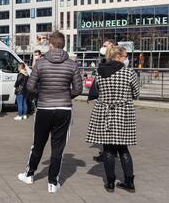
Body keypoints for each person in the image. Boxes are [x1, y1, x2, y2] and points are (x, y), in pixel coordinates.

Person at [18, 31, 83, 193]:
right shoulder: (72, 64)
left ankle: (30, 174)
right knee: (58, 147)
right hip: (64, 109)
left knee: (38, 144)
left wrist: (41, 95)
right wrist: (66, 96)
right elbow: (78, 89)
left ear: (50, 44)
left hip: (44, 108)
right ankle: (53, 183)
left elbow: (30, 86)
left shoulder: (40, 63)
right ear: (64, 45)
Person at [86, 46, 139, 193]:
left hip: (104, 112)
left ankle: (110, 182)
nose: (126, 59)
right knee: (123, 149)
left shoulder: (99, 71)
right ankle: (129, 182)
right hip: (123, 113)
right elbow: (136, 93)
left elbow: (96, 90)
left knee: (108, 148)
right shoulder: (129, 72)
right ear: (119, 57)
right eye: (125, 56)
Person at [93, 39, 118, 163]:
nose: (102, 48)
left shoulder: (120, 61)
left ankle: (109, 153)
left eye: (105, 45)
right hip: (108, 100)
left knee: (111, 130)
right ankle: (107, 152)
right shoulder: (103, 62)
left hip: (112, 101)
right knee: (107, 130)